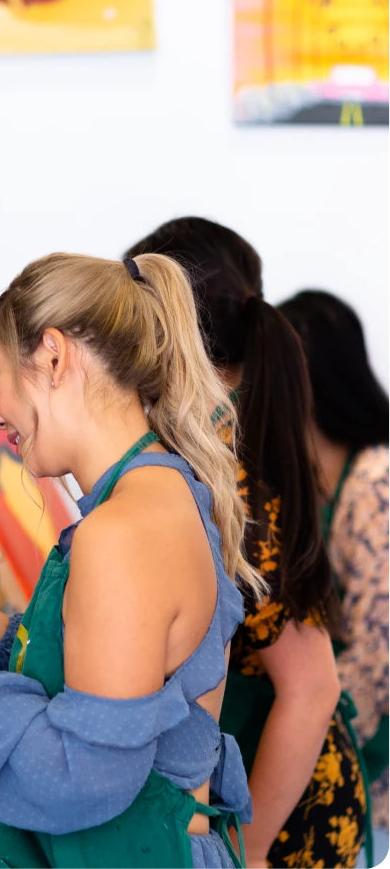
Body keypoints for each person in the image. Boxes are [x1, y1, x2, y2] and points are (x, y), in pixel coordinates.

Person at [0, 251, 259, 868]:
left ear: (53, 357)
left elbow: (84, 776)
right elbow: (101, 674)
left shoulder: (120, 530)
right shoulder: (164, 487)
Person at [128, 218, 366, 869]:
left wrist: (249, 851)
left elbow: (310, 688)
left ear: (164, 327)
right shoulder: (222, 443)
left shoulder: (228, 477)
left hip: (282, 810)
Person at [280, 289, 390, 866]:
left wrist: (290, 737)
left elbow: (380, 657)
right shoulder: (317, 482)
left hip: (377, 783)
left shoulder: (376, 483)